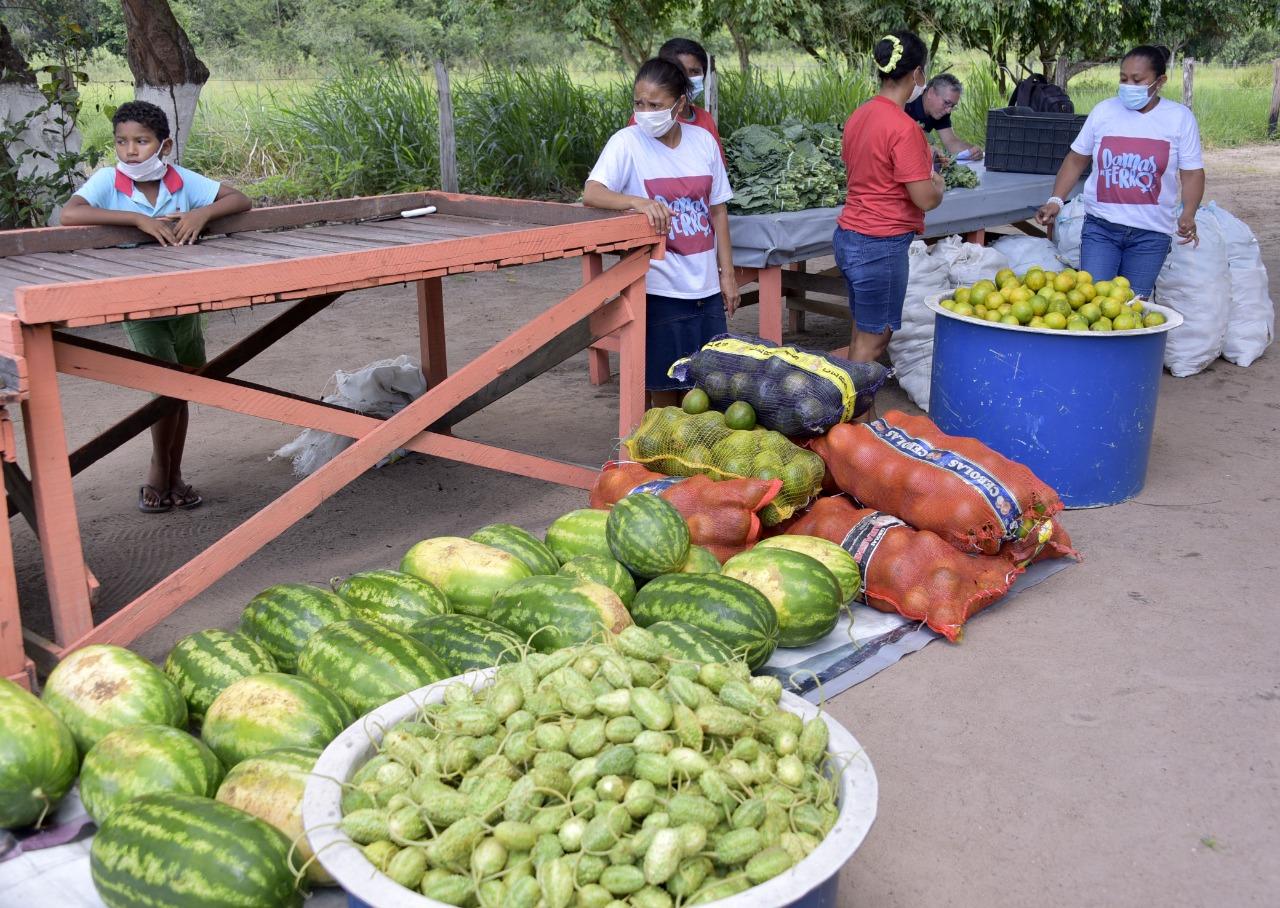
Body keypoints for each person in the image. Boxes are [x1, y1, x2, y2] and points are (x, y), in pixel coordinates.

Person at [61, 100, 251, 513]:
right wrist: (135, 220)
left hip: (186, 302)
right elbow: (68, 214)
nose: (130, 150)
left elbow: (240, 199)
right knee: (164, 387)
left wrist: (202, 213)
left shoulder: (180, 180)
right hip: (138, 307)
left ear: (163, 146)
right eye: (122, 142)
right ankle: (158, 469)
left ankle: (174, 472)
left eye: (142, 142)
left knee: (183, 386)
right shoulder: (109, 181)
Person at [585, 57, 739, 408]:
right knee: (665, 391)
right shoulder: (627, 143)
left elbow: (718, 210)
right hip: (659, 288)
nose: (645, 111)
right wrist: (637, 202)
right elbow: (592, 192)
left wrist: (727, 274)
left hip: (705, 288)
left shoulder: (702, 141)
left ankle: (699, 457)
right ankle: (665, 459)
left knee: (709, 388)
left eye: (654, 105)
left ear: (680, 104)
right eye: (639, 103)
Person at [1034, 45, 1205, 300]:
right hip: (1101, 228)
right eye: (1123, 79)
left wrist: (1188, 213)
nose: (1129, 86)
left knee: (1133, 307)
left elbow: (1192, 173)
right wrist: (1056, 200)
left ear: (1160, 81)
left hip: (1151, 234)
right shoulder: (1104, 111)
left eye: (1138, 80)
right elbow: (1076, 160)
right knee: (1092, 302)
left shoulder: (1179, 118)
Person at [833, 31, 945, 382]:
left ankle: (856, 419)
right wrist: (938, 185)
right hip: (880, 244)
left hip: (851, 235)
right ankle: (856, 427)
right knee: (874, 341)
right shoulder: (903, 127)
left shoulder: (860, 115)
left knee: (861, 333)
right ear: (917, 74)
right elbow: (924, 198)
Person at [628, 37, 725, 161]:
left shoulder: (706, 119)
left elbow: (717, 167)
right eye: (680, 72)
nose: (687, 79)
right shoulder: (647, 119)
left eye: (695, 71)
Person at [906, 73, 984, 161]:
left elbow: (950, 142)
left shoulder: (942, 111)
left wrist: (973, 150)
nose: (948, 110)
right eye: (946, 102)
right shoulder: (907, 102)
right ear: (931, 93)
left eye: (952, 106)